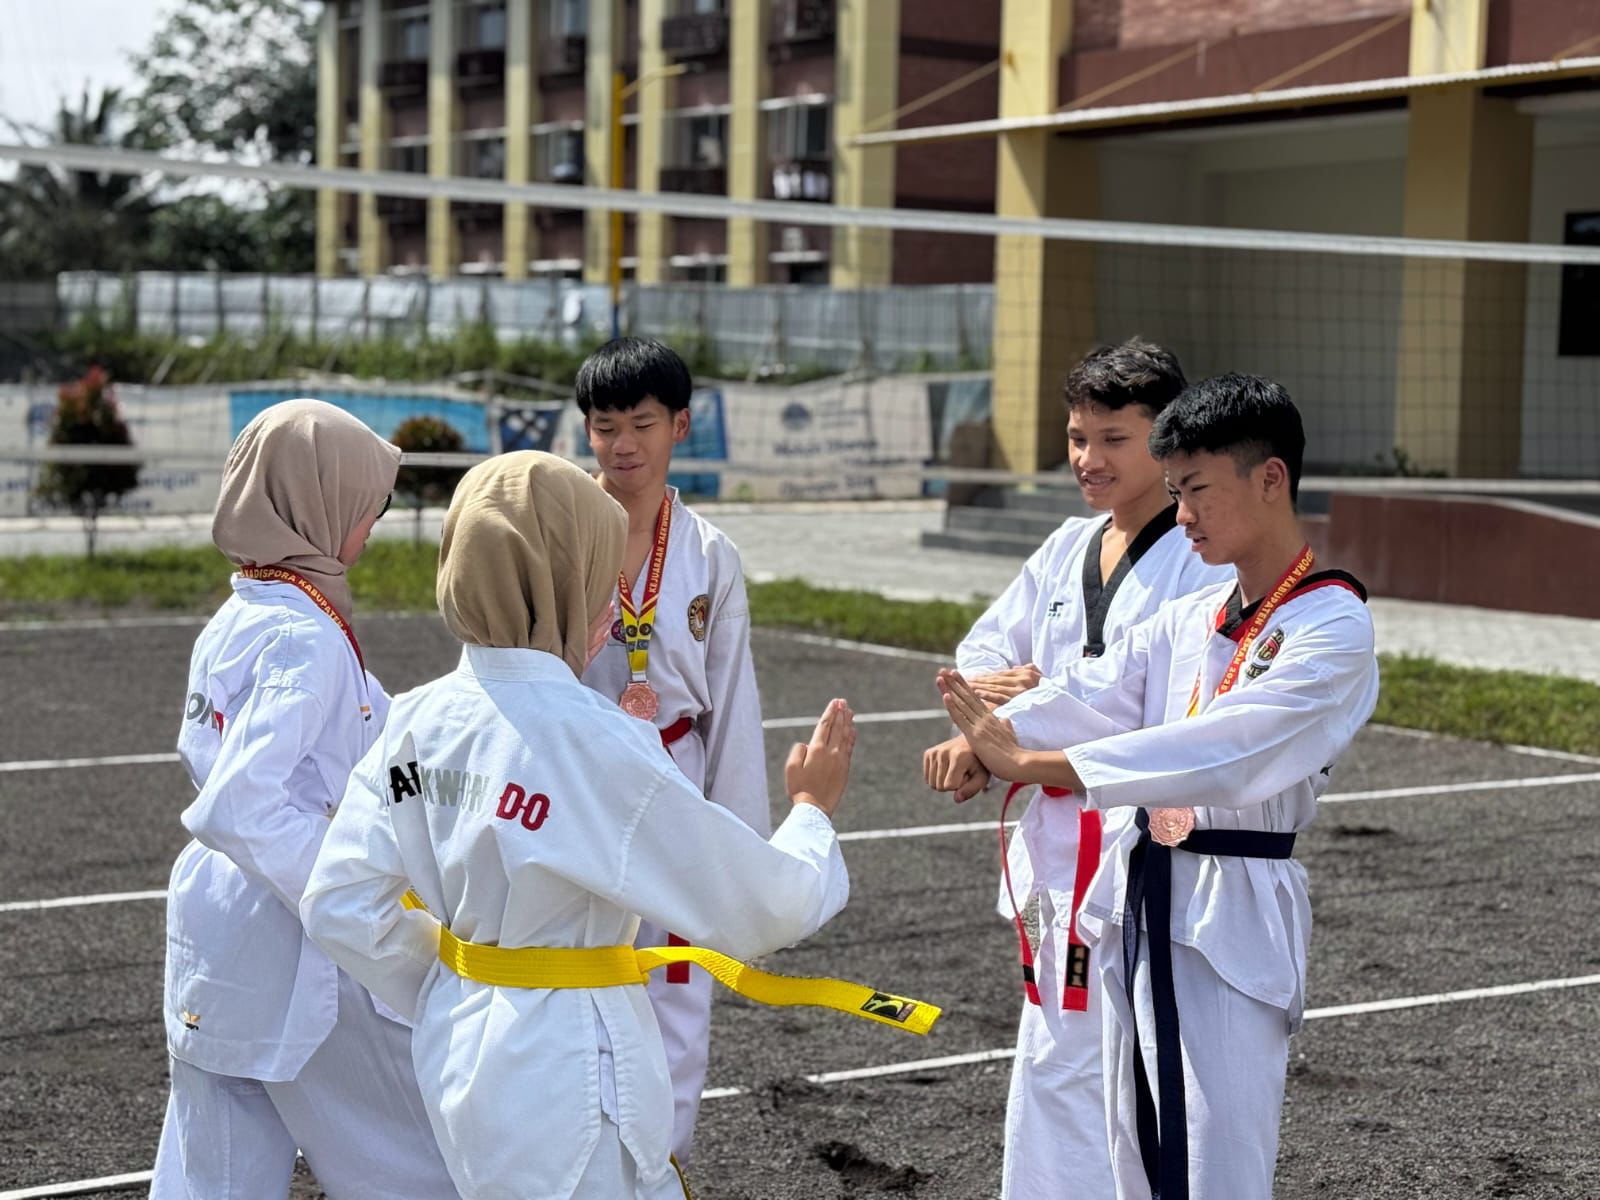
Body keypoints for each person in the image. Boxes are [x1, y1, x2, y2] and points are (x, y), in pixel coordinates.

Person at [298, 452, 865, 1200]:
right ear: (556, 587)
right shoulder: (593, 743)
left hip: (460, 1050)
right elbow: (763, 907)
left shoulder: (416, 721)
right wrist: (812, 813)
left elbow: (338, 903)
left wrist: (458, 977)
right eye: (597, 579)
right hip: (573, 1079)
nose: (611, 606)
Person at [936, 374, 1380, 1200]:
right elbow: (1092, 694)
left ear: (1270, 478)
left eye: (1198, 491)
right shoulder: (1194, 616)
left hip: (1234, 900)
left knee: (1215, 1164)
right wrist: (989, 739)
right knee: (1133, 1149)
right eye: (1176, 493)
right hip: (1142, 893)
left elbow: (1229, 749)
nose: (1183, 517)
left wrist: (1035, 765)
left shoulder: (1331, 622)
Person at [922, 339, 1231, 1198]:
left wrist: (1021, 712)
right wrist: (1000, 715)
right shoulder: (1065, 544)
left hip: (1138, 841)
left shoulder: (1197, 562)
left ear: (1166, 441)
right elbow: (983, 652)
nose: (1089, 458)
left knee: (1121, 1061)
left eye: (1113, 439)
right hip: (1055, 838)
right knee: (1050, 1049)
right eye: (1076, 437)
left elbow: (1149, 708)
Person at [151, 399, 458, 1199]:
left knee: (213, 1175)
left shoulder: (247, 612)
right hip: (292, 940)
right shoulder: (305, 637)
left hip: (217, 931)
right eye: (366, 507)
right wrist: (351, 885)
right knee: (420, 1157)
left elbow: (377, 733)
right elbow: (240, 807)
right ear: (312, 504)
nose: (371, 525)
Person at [576, 336, 769, 1163]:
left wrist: (742, 849)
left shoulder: (710, 553)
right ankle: (580, 1160)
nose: (622, 444)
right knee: (575, 969)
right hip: (578, 775)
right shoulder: (556, 532)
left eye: (642, 424)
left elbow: (733, 697)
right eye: (604, 426)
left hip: (676, 770)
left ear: (680, 426)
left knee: (678, 980)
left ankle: (663, 1164)